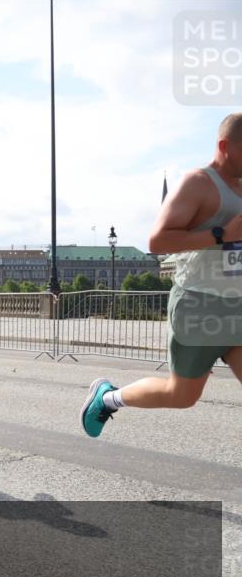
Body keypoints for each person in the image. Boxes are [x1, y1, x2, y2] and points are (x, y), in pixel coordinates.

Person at [81, 112, 242, 437]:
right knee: (180, 396)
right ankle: (108, 398)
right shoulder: (198, 183)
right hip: (200, 306)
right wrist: (221, 234)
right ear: (225, 146)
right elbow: (157, 240)